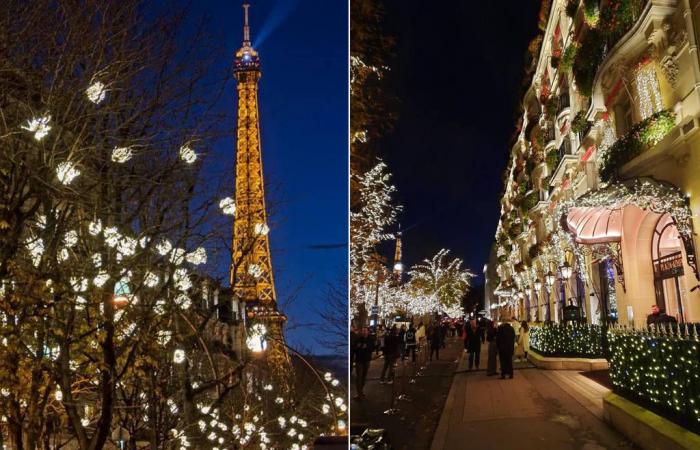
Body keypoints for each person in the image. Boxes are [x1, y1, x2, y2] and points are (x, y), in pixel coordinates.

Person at [353, 327, 375, 399]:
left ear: (368, 332)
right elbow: (355, 348)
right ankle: (359, 393)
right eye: (362, 331)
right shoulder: (358, 339)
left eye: (365, 331)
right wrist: (361, 347)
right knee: (359, 377)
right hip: (359, 360)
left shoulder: (371, 339)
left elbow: (372, 348)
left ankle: (361, 391)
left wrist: (365, 347)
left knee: (364, 377)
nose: (364, 332)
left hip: (367, 360)